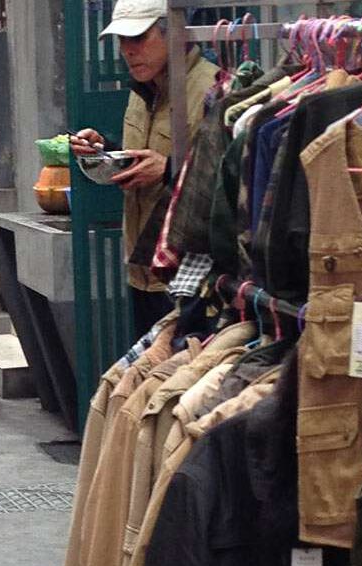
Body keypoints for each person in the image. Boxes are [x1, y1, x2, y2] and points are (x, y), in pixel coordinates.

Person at [70, 0, 218, 336]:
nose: (127, 51)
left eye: (138, 38)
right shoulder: (142, 91)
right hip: (142, 269)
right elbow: (147, 153)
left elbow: (227, 182)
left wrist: (167, 170)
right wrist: (105, 152)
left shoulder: (212, 89)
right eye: (122, 40)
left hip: (191, 272)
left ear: (173, 33)